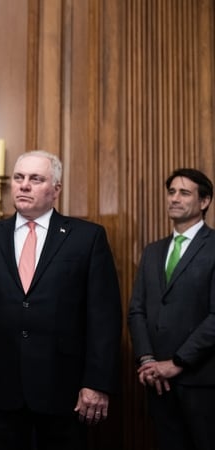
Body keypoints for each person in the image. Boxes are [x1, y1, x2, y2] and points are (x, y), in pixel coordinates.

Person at [0, 150, 122, 450]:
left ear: (55, 190)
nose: (24, 185)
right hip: (0, 390)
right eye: (19, 178)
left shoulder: (87, 238)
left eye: (35, 179)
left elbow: (104, 318)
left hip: (64, 392)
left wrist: (97, 383)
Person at [127, 168, 215, 450]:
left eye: (184, 192)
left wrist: (176, 363)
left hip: (201, 382)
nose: (174, 198)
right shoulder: (153, 250)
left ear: (204, 202)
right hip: (157, 382)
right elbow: (136, 310)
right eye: (171, 192)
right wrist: (147, 360)